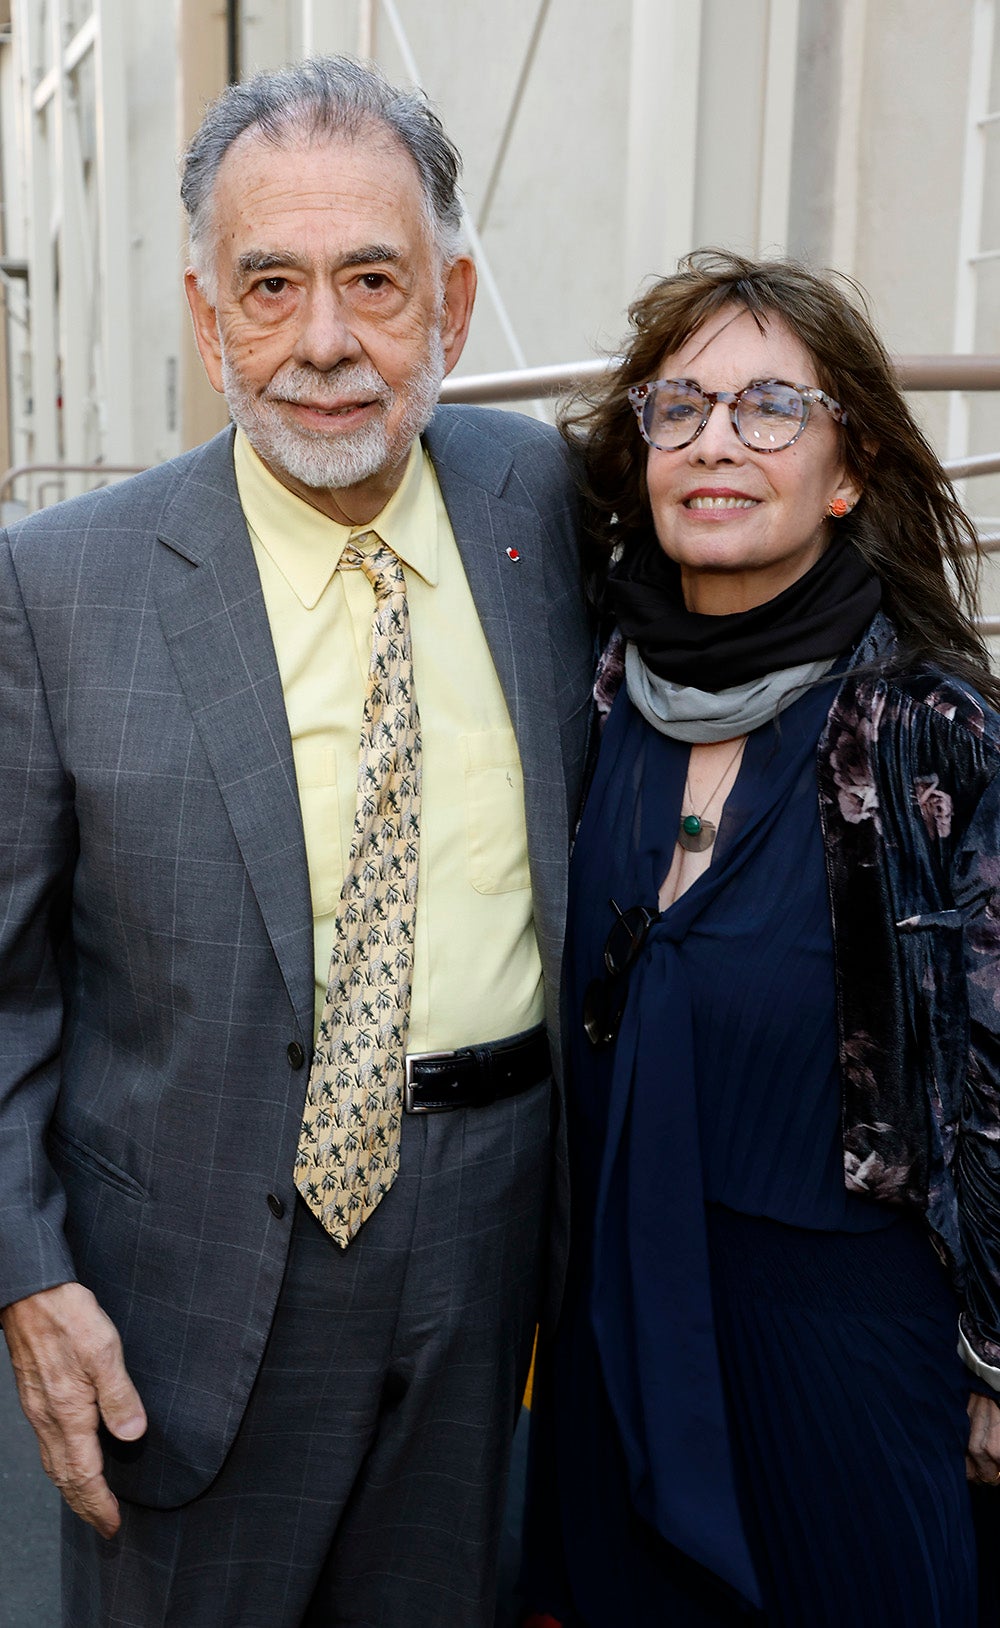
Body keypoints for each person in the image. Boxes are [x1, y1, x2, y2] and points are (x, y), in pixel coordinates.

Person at [0, 57, 592, 1628]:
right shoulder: (62, 591)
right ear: (209, 322)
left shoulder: (541, 502)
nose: (324, 344)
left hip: (493, 1229)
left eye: (373, 282)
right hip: (180, 1270)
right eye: (270, 286)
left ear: (452, 307)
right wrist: (25, 1271)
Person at [523, 250, 1000, 1627]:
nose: (717, 442)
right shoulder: (594, 697)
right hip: (618, 1329)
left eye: (770, 409)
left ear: (847, 469)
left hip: (848, 1356)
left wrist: (996, 1356)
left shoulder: (932, 733)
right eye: (680, 408)